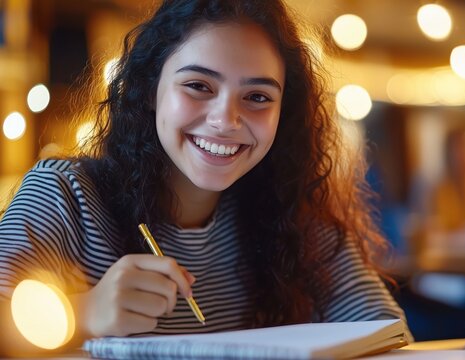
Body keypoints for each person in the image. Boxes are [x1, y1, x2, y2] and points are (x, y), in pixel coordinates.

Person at [0, 0, 409, 353]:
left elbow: (383, 333)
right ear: (148, 88)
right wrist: (83, 312)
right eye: (198, 85)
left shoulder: (293, 216)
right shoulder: (66, 195)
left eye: (258, 97)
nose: (225, 120)